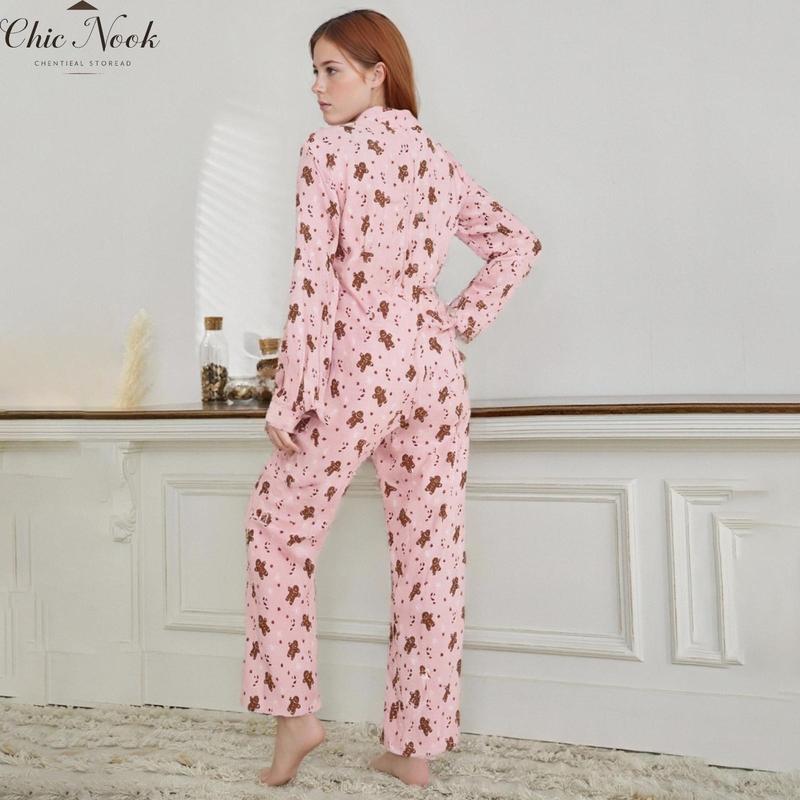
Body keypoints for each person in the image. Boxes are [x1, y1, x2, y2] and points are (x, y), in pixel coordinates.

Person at [241, 9, 543, 789]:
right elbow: (517, 244)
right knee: (431, 556)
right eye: (314, 71)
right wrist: (455, 321)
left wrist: (292, 392)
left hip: (357, 364)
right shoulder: (435, 160)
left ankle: (295, 717)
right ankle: (415, 748)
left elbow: (313, 279)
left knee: (277, 530)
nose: (317, 87)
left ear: (378, 74)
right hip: (435, 370)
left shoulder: (328, 151)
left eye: (331, 70)